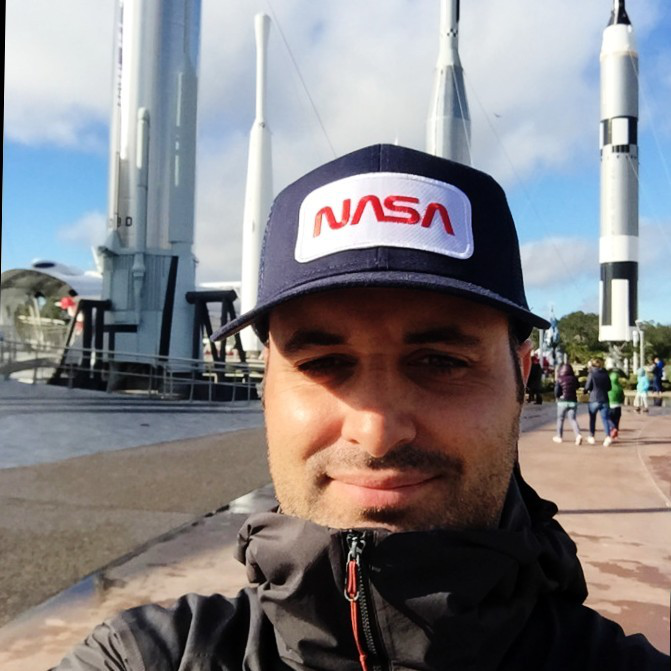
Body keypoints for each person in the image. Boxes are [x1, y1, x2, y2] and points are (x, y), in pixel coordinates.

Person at [52, 145, 667, 670]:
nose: (376, 432)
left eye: (440, 361)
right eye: (323, 363)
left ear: (521, 378)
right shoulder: (144, 656)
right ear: (266, 387)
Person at [583, 357, 613, 447]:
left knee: (592, 419)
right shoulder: (605, 374)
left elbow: (587, 386)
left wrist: (585, 391)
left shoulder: (591, 374)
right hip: (604, 399)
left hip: (594, 399)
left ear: (592, 365)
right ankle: (608, 436)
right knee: (605, 419)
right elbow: (609, 387)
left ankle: (592, 436)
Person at [553, 363, 582, 445]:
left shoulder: (559, 379)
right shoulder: (574, 379)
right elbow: (578, 386)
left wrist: (558, 396)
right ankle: (578, 435)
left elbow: (557, 391)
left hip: (562, 402)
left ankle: (559, 436)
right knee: (573, 419)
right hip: (573, 401)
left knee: (560, 419)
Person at [608, 370, 625, 439]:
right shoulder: (619, 387)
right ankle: (616, 434)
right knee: (617, 420)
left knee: (608, 419)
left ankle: (612, 429)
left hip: (610, 405)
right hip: (618, 406)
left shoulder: (608, 387)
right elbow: (622, 397)